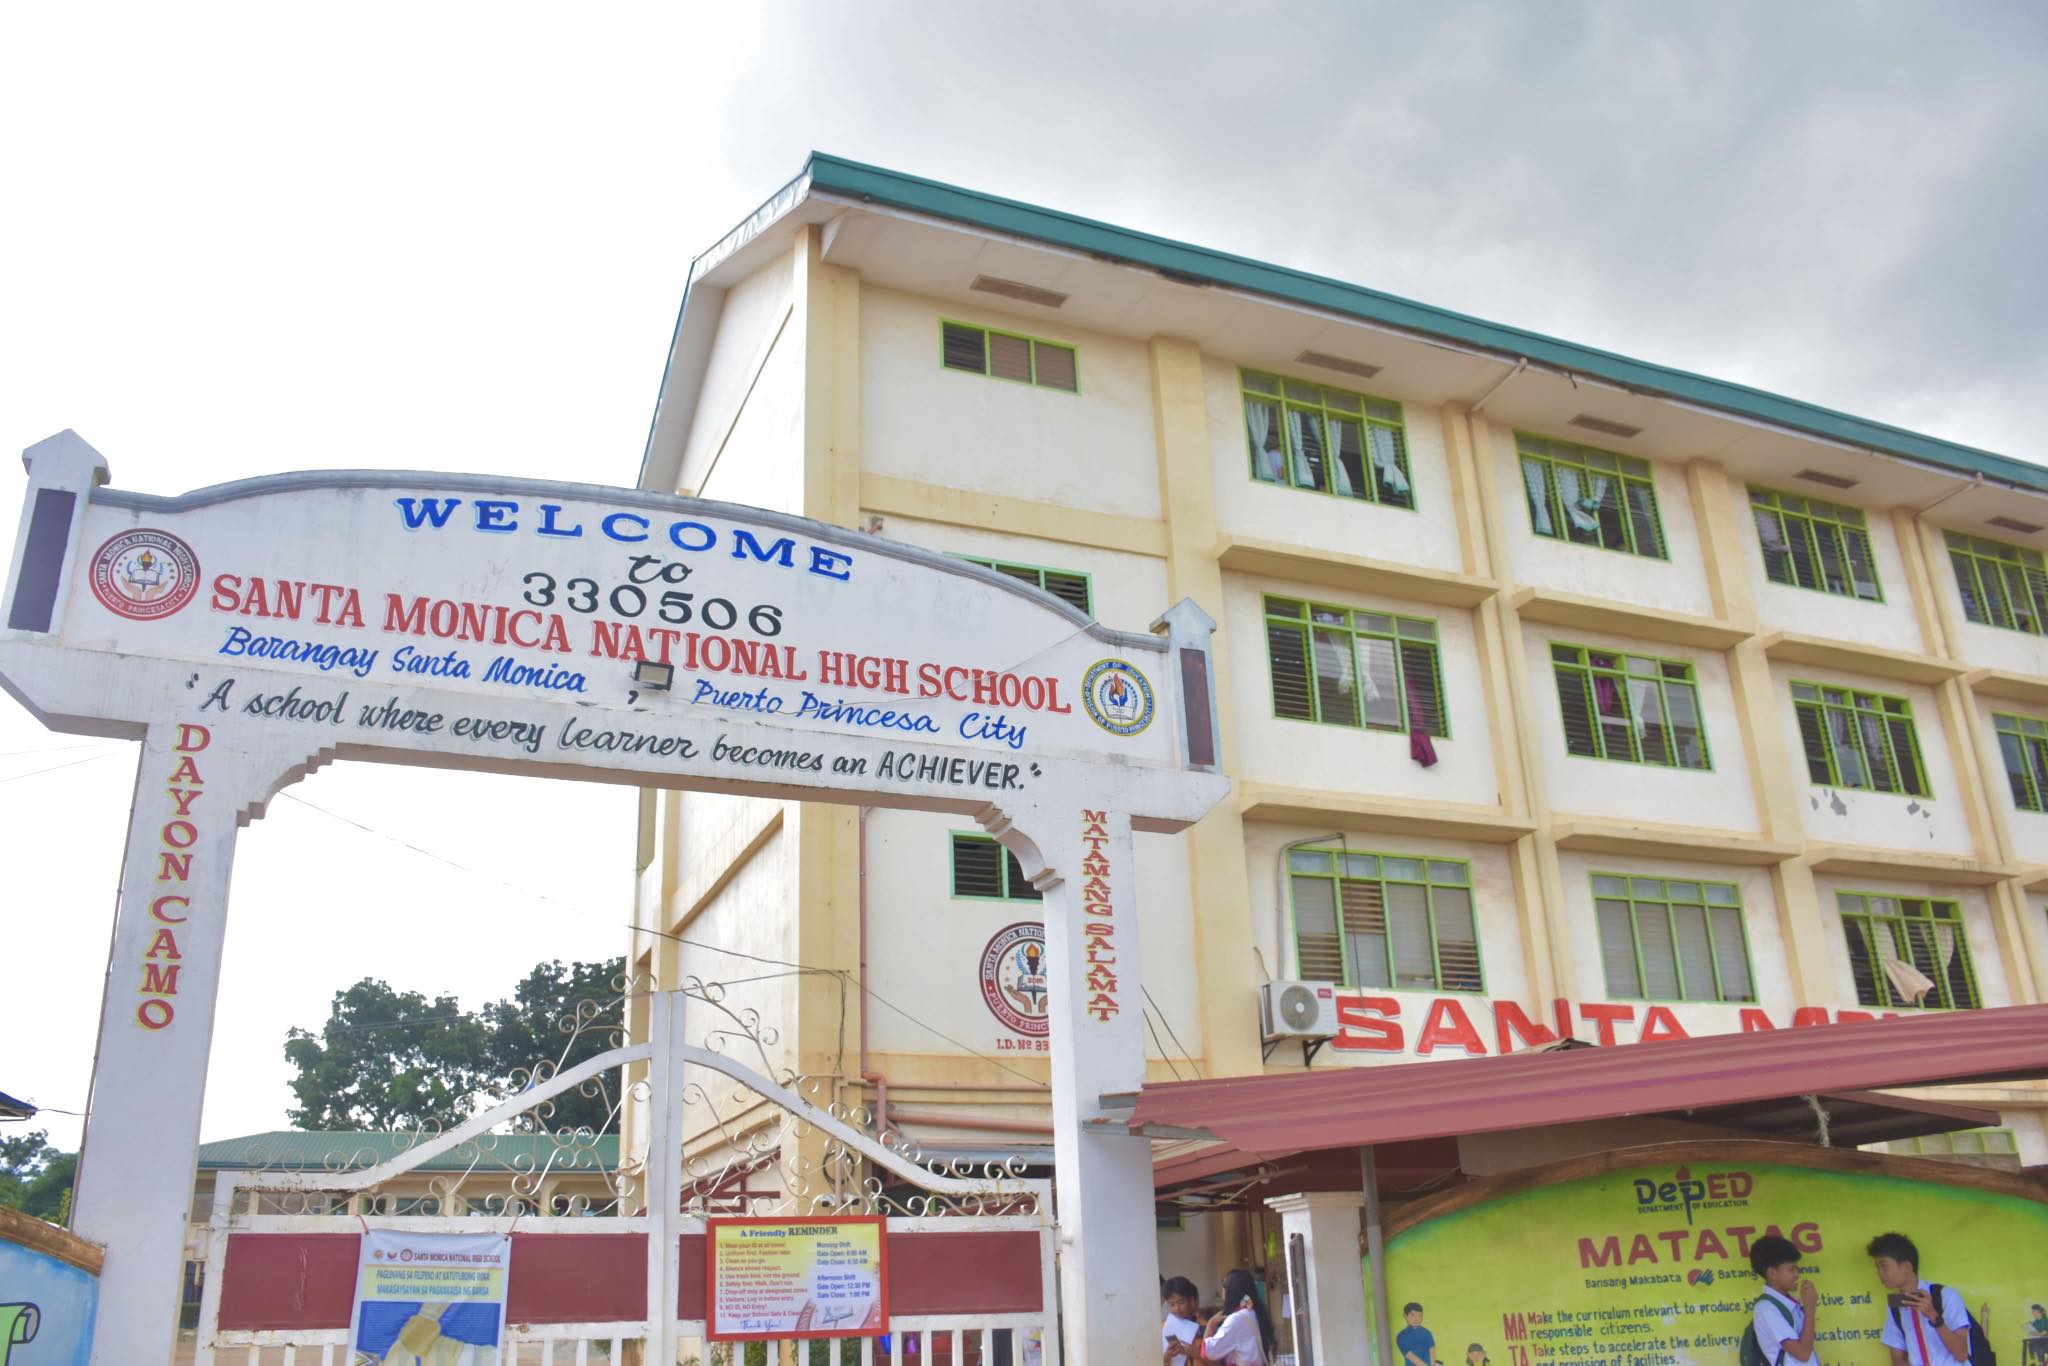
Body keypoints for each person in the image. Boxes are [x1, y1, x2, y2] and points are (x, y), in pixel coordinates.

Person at [1868, 1232, 1974, 1366]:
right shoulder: (1895, 1307)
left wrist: (1933, 1316)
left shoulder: (1945, 1296)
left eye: (1884, 1266)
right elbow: (1897, 1359)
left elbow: (1962, 1354)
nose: (1879, 1273)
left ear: (1906, 1266)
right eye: (1877, 1267)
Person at [1750, 1232, 1821, 1365]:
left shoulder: (1790, 1302)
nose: (1797, 1275)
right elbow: (1803, 1353)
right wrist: (1810, 1308)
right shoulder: (1766, 1308)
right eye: (1791, 1269)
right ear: (1772, 1273)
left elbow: (1808, 1341)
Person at [1202, 1268, 1276, 1365]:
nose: (1222, 1291)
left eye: (1224, 1286)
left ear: (1230, 1290)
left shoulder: (1236, 1319)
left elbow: (1209, 1352)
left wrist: (1211, 1324)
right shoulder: (1254, 1312)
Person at [1162, 1276, 1202, 1363]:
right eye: (1172, 1304)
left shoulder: (1204, 1327)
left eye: (1181, 1302)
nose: (1177, 1308)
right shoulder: (1163, 1328)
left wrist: (1197, 1354)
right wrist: (1165, 1357)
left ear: (1191, 1301)